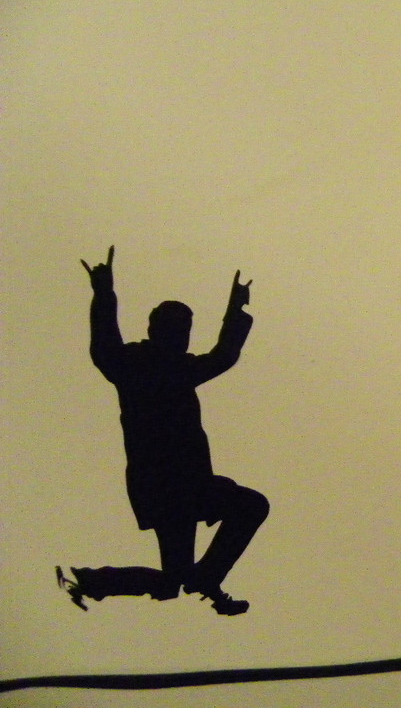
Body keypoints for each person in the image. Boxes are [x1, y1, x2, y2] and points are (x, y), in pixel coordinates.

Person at [57, 246, 268, 616]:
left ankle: (96, 582)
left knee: (174, 580)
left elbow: (223, 355)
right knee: (249, 507)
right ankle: (203, 578)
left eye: (186, 331)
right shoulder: (137, 365)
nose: (183, 338)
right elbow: (105, 343)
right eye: (177, 330)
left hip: (175, 484)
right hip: (168, 485)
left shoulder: (160, 366)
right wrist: (103, 292)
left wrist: (237, 307)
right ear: (157, 331)